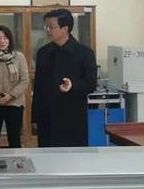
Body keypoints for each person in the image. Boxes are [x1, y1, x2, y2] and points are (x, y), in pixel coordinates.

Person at [32, 8, 97, 148]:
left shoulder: (85, 53)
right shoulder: (43, 53)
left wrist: (73, 86)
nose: (47, 30)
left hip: (72, 119)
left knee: (72, 157)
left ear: (65, 28)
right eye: (46, 27)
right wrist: (35, 117)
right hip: (47, 118)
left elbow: (91, 84)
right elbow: (38, 87)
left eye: (51, 27)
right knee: (47, 157)